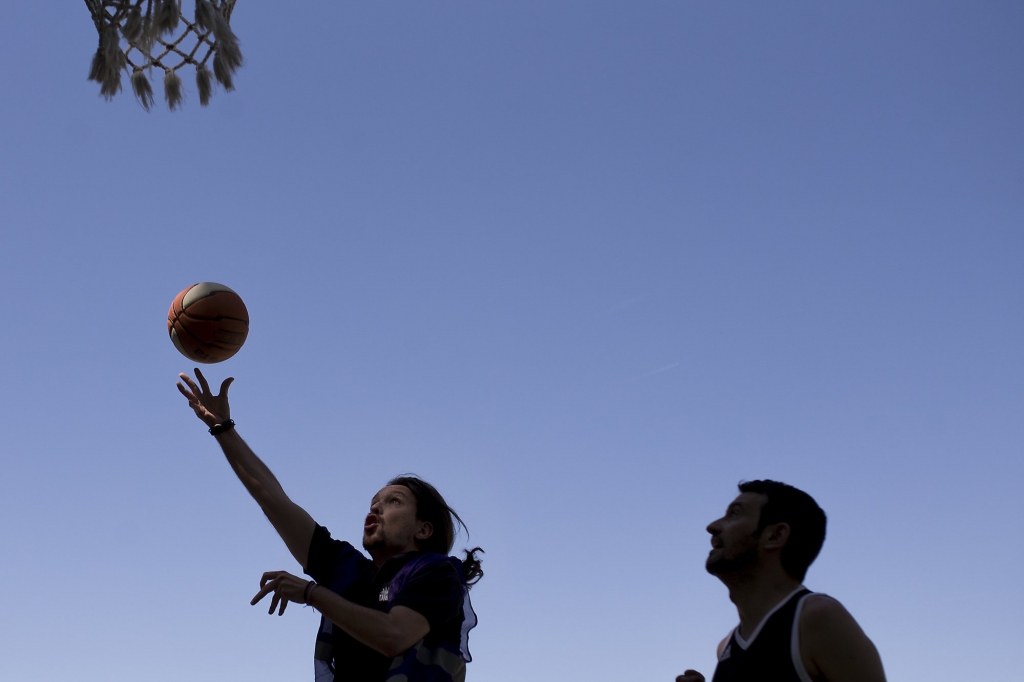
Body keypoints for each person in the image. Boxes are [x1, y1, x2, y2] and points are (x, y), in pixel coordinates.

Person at [176, 369, 482, 682]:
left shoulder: (436, 574)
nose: (376, 506)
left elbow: (395, 636)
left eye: (394, 501)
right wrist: (222, 427)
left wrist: (311, 592)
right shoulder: (347, 568)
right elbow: (274, 501)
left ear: (424, 529)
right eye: (374, 502)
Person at [676, 480, 886, 682]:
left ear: (775, 536)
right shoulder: (725, 647)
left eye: (735, 514)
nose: (713, 526)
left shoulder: (817, 617)